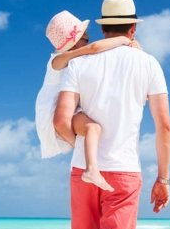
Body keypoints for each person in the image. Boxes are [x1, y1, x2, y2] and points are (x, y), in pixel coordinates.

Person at [54, 0, 170, 229]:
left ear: (103, 27)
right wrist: (163, 177)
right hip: (123, 170)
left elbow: (62, 120)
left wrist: (79, 144)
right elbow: (164, 127)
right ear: (133, 28)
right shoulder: (148, 64)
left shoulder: (78, 64)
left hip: (82, 169)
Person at [35, 10, 134, 191]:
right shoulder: (56, 61)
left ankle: (91, 169)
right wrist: (125, 40)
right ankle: (91, 170)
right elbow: (94, 49)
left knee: (92, 129)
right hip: (53, 111)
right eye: (85, 37)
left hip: (67, 108)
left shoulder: (75, 61)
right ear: (74, 43)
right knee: (92, 129)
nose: (89, 38)